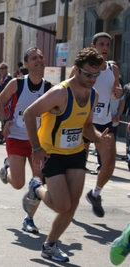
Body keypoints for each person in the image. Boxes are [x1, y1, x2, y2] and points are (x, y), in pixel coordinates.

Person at [22, 47, 109, 262]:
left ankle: (50, 245)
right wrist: (35, 148)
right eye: (88, 74)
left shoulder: (93, 94)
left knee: (73, 203)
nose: (92, 79)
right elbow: (29, 113)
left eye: (96, 75)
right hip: (51, 153)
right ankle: (36, 188)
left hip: (76, 152)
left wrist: (98, 138)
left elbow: (87, 125)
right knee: (62, 205)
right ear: (77, 70)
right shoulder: (60, 92)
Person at [0, 47, 52, 235]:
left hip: (38, 141)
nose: (39, 60)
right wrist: (5, 121)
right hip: (16, 136)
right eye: (34, 58)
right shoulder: (17, 84)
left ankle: (29, 219)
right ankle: (8, 169)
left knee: (37, 182)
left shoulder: (49, 88)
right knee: (18, 183)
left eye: (41, 57)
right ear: (26, 64)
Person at [80, 32, 123, 218]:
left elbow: (114, 94)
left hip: (104, 122)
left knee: (109, 164)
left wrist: (117, 94)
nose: (105, 48)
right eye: (102, 44)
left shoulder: (113, 69)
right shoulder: (82, 67)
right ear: (93, 46)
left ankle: (95, 194)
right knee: (78, 165)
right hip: (83, 122)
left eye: (108, 45)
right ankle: (70, 199)